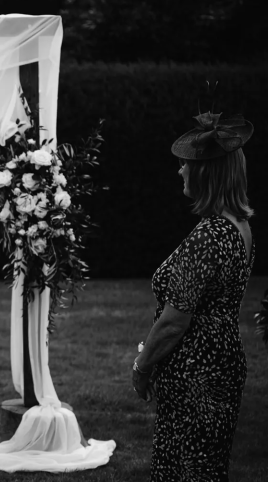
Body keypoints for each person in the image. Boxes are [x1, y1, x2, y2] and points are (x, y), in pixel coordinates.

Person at [132, 111, 255, 480]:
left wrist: (142, 367)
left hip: (196, 375)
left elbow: (174, 321)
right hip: (221, 362)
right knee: (205, 467)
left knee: (187, 469)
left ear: (207, 172)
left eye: (186, 165)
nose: (181, 171)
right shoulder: (240, 226)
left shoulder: (209, 236)